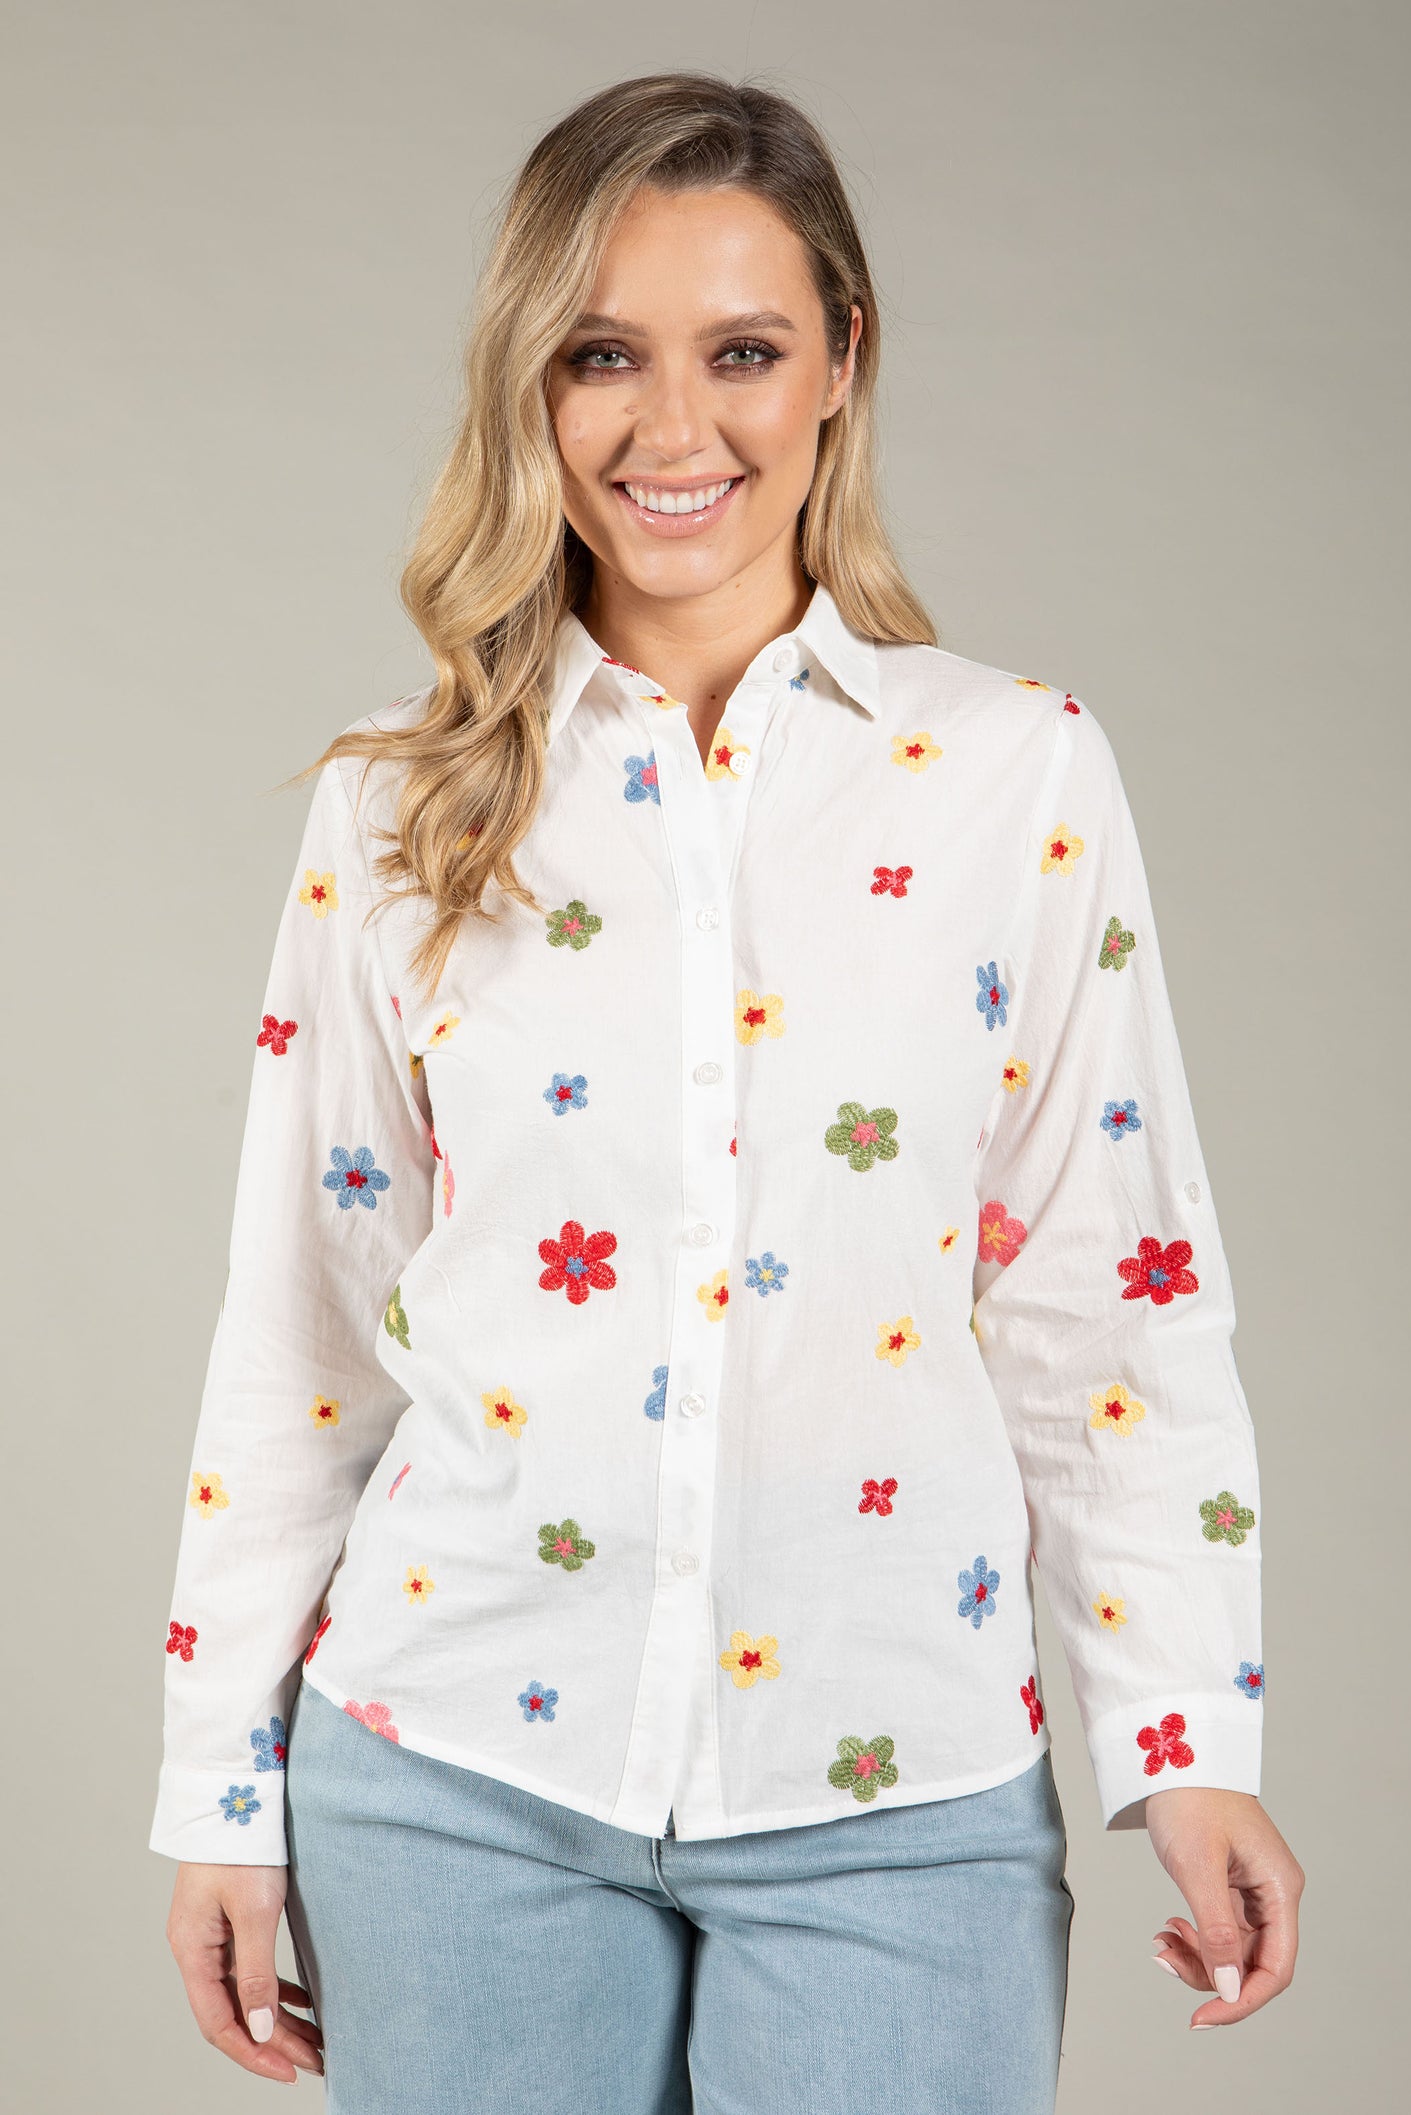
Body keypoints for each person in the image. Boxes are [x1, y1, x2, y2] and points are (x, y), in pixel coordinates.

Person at [151, 69, 1304, 2114]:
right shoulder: (393, 806)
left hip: (902, 1787)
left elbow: (1106, 1299)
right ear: (530, 377)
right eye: (602, 354)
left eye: (742, 353)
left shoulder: (1012, 775)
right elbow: (305, 1326)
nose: (671, 431)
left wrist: (1187, 1730)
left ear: (844, 361)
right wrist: (219, 1779)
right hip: (453, 1782)